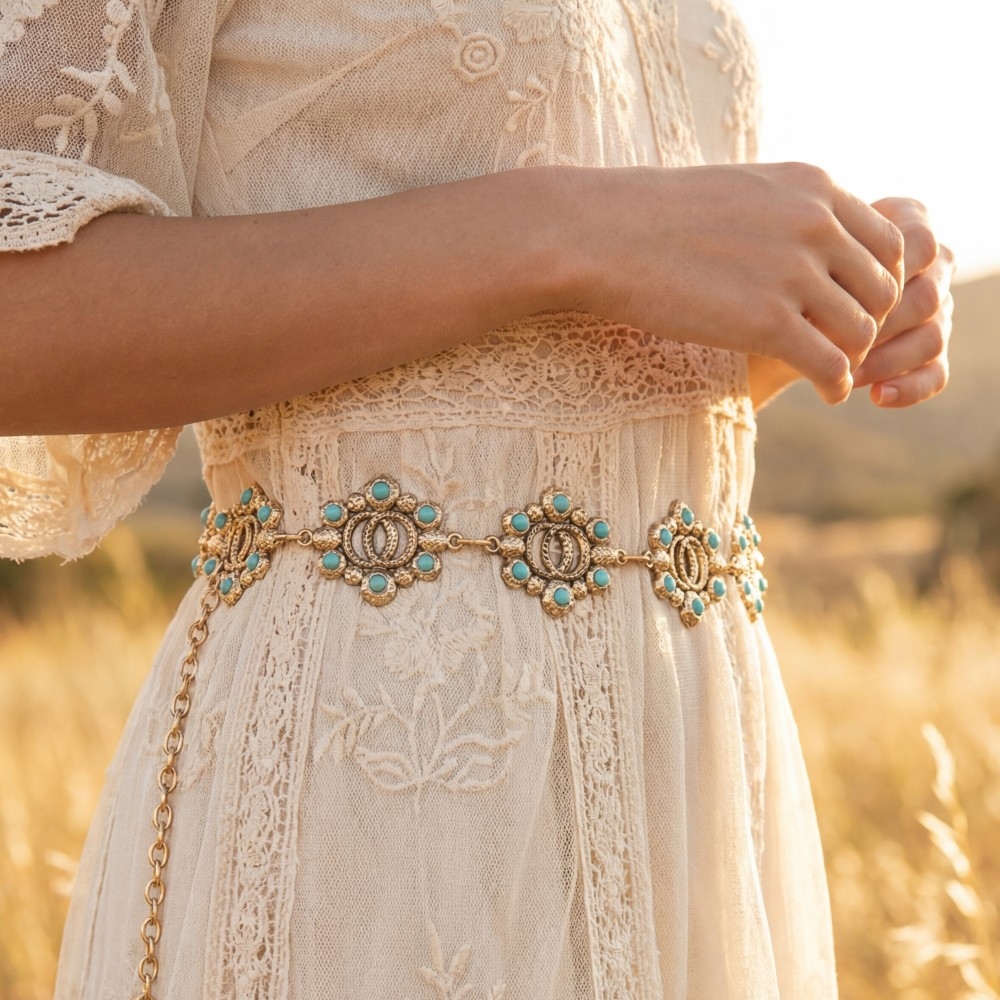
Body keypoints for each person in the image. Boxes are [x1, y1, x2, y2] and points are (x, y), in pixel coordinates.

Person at [0, 0, 954, 998]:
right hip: (380, 772)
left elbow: (518, 389)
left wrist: (804, 304)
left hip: (689, 755)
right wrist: (560, 230)